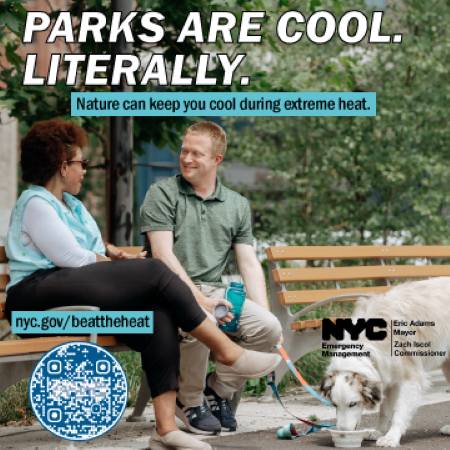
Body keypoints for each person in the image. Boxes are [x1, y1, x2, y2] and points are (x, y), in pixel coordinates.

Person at [5, 119, 282, 450]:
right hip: (34, 306)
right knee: (153, 269)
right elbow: (73, 258)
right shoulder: (35, 202)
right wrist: (122, 268)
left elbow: (89, 250)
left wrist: (111, 254)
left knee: (157, 315)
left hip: (76, 305)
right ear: (63, 166)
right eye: (81, 163)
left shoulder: (74, 207)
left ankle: (165, 430)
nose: (85, 170)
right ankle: (228, 351)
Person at [140, 121, 283, 434]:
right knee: (200, 316)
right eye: (184, 150)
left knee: (268, 328)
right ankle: (188, 400)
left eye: (196, 153)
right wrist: (201, 299)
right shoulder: (162, 194)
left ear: (217, 160)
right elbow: (163, 256)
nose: (186, 158)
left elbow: (247, 261)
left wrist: (264, 309)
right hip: (165, 291)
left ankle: (215, 390)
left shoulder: (236, 204)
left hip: (215, 292)